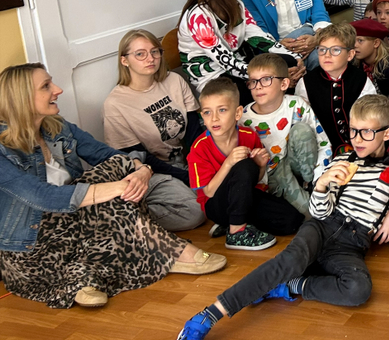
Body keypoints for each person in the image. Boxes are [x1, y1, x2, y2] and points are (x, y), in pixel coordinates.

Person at [169, 95, 389, 340]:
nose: (357, 139)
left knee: (359, 290)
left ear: (387, 133)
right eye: (353, 131)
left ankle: (292, 285)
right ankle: (207, 316)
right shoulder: (342, 162)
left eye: (367, 132)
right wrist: (322, 185)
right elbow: (319, 212)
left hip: (352, 244)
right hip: (323, 226)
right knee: (290, 260)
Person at [0, 63, 225, 309]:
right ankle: (169, 252)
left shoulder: (57, 127)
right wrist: (117, 188)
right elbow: (42, 196)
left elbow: (106, 155)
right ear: (21, 97)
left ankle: (85, 277)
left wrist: (141, 169)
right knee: (108, 190)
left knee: (115, 170)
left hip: (76, 224)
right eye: (46, 86)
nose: (58, 89)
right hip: (32, 246)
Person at [188, 78, 304, 250]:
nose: (214, 118)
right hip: (217, 206)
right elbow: (209, 192)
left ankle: (232, 223)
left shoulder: (248, 135)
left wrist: (261, 165)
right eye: (207, 112)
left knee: (292, 220)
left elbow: (252, 181)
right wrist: (229, 163)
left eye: (222, 110)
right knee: (244, 165)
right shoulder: (199, 147)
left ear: (237, 113)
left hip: (245, 198)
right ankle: (236, 232)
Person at [178, 0, 300, 107]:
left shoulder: (237, 6)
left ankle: (287, 111)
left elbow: (261, 39)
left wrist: (296, 58)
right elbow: (226, 62)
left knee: (287, 62)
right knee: (252, 91)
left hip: (240, 66)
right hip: (214, 78)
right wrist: (267, 76)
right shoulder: (197, 17)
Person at [104, 29, 202, 197]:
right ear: (124, 60)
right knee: (195, 207)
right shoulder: (115, 105)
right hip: (152, 171)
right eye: (140, 54)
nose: (150, 59)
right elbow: (138, 157)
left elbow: (194, 132)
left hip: (187, 160)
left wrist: (201, 165)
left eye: (154, 52)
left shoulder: (174, 80)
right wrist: (187, 177)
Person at [240, 54, 332, 216]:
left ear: (284, 84)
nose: (258, 87)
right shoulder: (244, 118)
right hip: (273, 173)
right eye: (253, 81)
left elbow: (323, 144)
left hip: (300, 165)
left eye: (266, 79)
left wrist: (319, 180)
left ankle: (309, 184)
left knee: (302, 130)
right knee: (311, 213)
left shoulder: (296, 104)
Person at [296, 23, 378, 155]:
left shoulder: (361, 80)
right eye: (322, 50)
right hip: (322, 149)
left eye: (335, 50)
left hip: (359, 145)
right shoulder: (306, 83)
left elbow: (370, 118)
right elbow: (305, 122)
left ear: (350, 55)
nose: (327, 55)